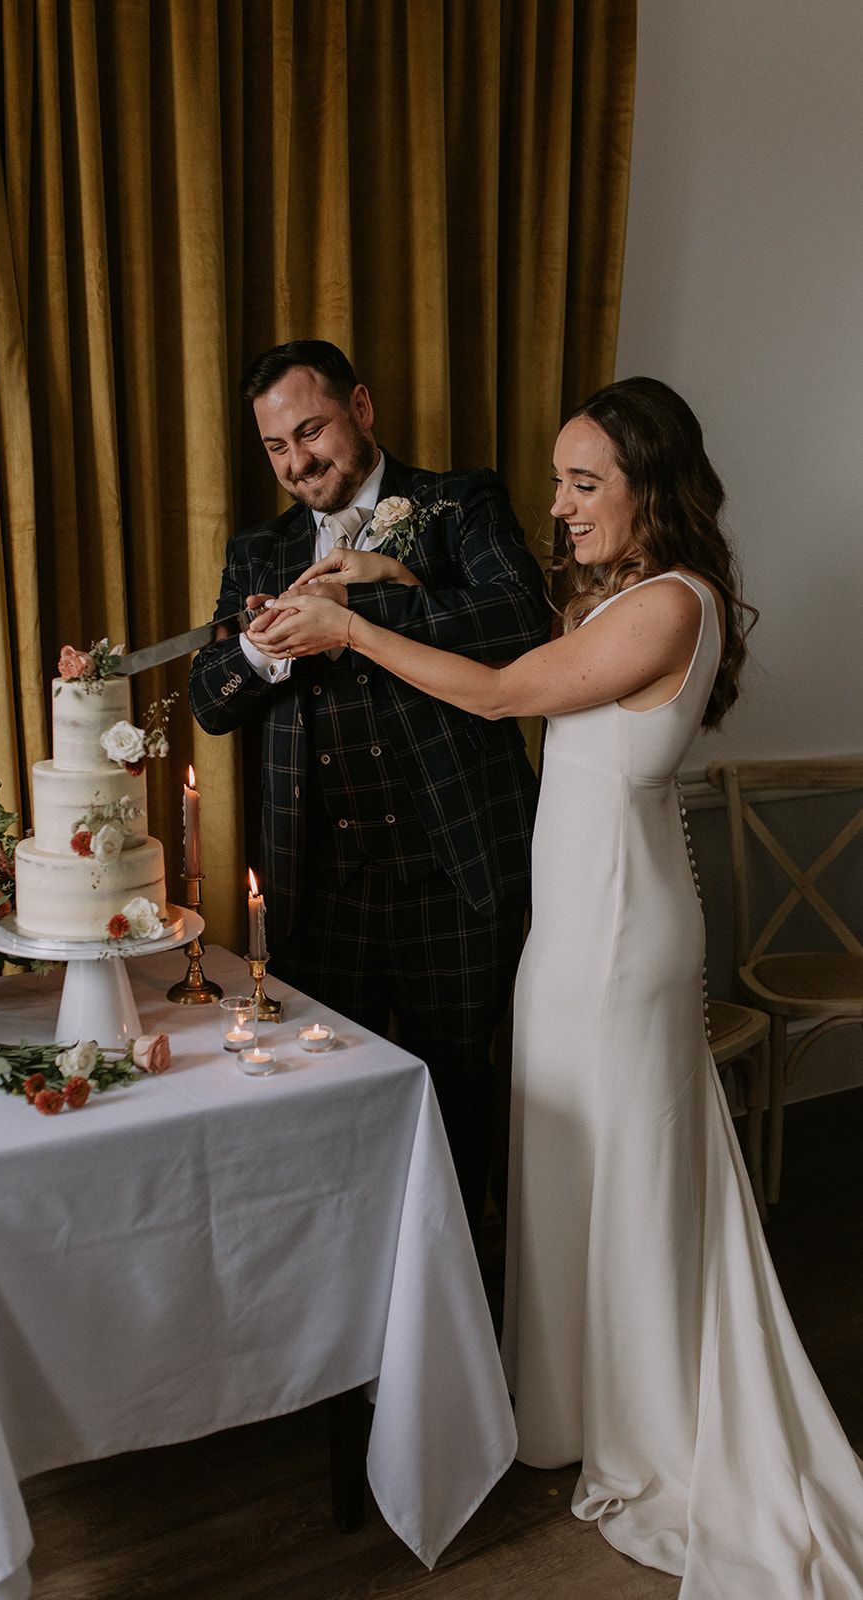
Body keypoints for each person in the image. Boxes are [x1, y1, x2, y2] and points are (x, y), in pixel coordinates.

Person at [258, 376, 863, 1596]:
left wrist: (355, 629)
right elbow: (526, 638)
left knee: (628, 1170)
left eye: (585, 482)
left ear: (651, 483)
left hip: (623, 938)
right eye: (558, 480)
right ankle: (568, 1407)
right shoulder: (619, 594)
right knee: (566, 1162)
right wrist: (402, 584)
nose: (559, 503)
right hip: (569, 927)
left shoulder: (672, 605)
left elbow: (497, 690)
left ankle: (647, 1414)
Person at [189, 340, 548, 1229]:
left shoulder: (456, 503)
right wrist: (261, 652)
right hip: (321, 887)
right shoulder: (257, 550)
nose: (299, 461)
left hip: (456, 875)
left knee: (462, 1099)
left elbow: (520, 620)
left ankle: (460, 1324)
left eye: (310, 430)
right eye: (277, 448)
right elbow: (208, 699)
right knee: (332, 1106)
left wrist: (363, 608)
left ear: (361, 405)